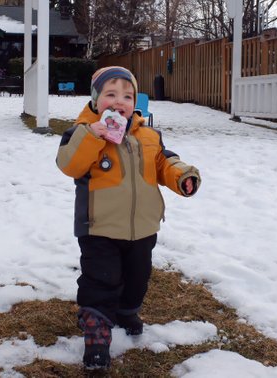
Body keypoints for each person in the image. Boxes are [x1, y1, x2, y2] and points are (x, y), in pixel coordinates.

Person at [55, 66, 201, 370]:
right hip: (99, 227)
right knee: (100, 279)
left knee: (137, 276)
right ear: (96, 100)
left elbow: (164, 162)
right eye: (111, 94)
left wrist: (183, 176)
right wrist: (92, 135)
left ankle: (126, 310)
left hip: (142, 227)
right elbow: (69, 164)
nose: (119, 101)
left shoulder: (148, 135)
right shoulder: (82, 131)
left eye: (127, 95)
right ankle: (96, 331)